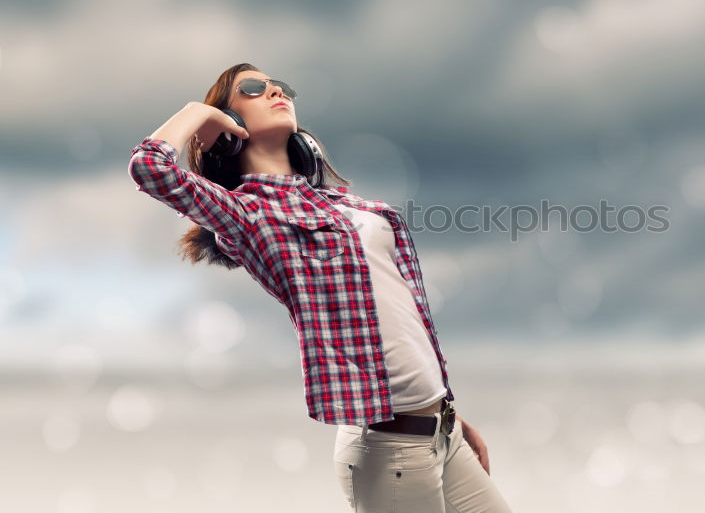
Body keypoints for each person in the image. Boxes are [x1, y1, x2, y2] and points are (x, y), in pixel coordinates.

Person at [128, 62, 513, 512]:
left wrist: (448, 412)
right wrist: (196, 113)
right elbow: (149, 168)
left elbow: (397, 320)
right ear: (228, 124)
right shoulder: (247, 214)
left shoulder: (340, 202)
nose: (275, 91)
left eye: (280, 86)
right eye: (253, 88)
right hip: (390, 449)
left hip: (440, 432)